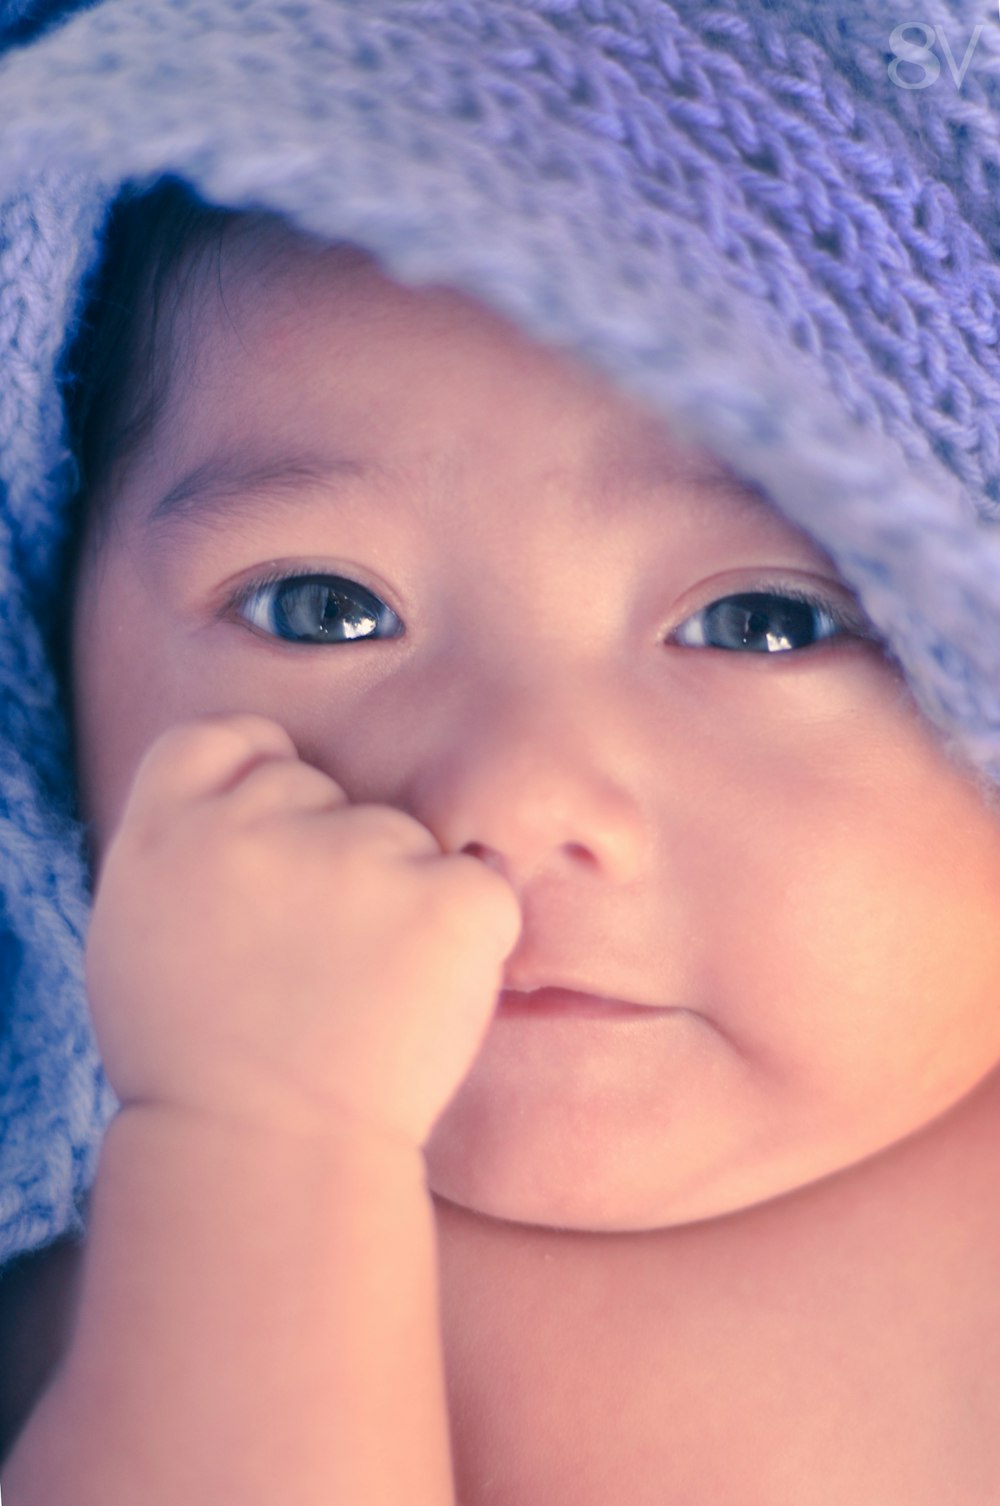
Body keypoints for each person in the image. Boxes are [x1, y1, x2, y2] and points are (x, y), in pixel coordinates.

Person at [2, 2, 1000, 1501]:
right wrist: (259, 1144)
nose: (509, 799)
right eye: (322, 607)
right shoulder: (142, 1244)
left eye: (763, 623)